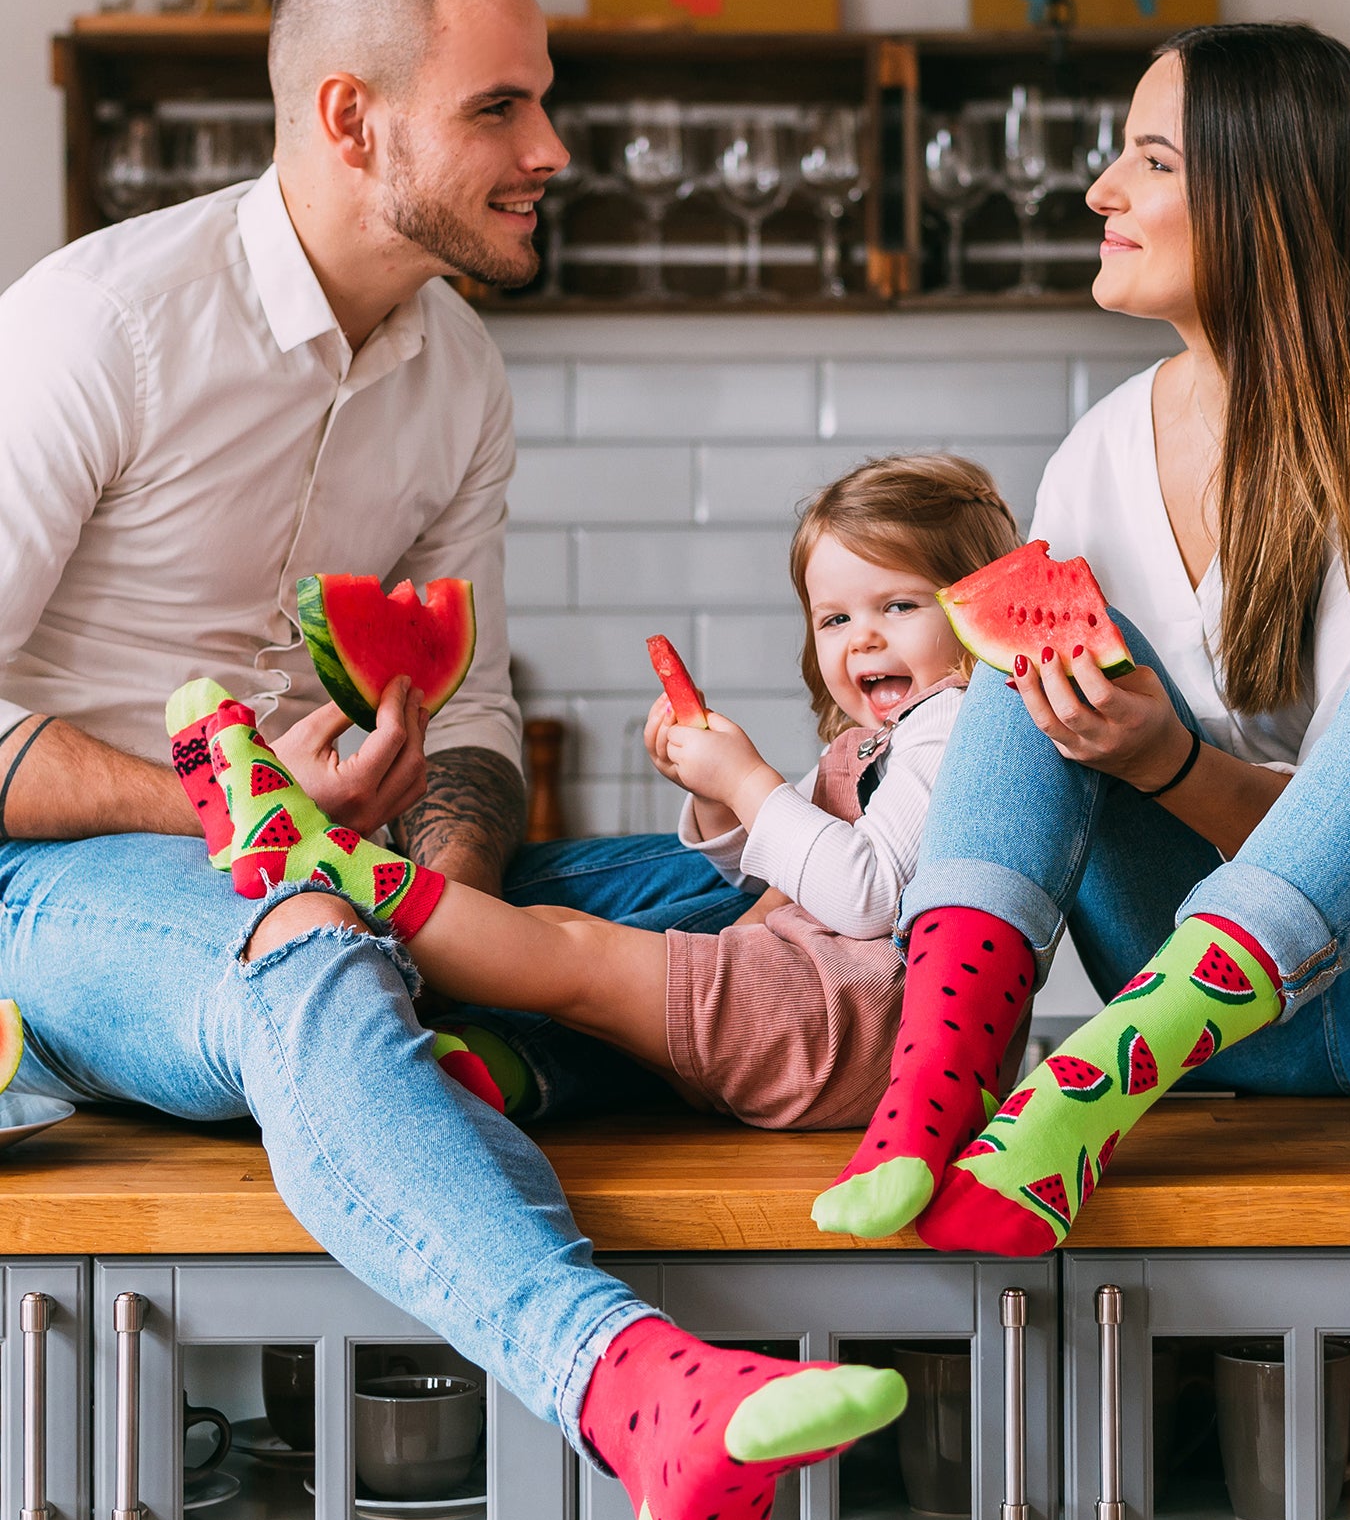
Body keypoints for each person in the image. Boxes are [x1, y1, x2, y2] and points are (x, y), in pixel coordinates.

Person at [0, 0, 905, 1520]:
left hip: (327, 874)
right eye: (502, 108)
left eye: (539, 100)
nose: (550, 147)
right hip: (59, 889)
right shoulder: (97, 325)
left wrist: (456, 886)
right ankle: (628, 1382)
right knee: (317, 929)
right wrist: (251, 832)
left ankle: (447, 1055)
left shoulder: (456, 370)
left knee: (707, 888)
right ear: (352, 117)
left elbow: (471, 715)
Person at [812, 21, 1350, 1252]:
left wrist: (1169, 766)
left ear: (1274, 194)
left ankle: (1076, 1097)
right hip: (1223, 1031)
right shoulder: (1099, 452)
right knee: (1012, 645)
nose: (1103, 189)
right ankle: (930, 1102)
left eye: (1152, 159)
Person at [160, 454, 1022, 1138]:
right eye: (833, 618)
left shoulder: (956, 723)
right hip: (815, 1018)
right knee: (587, 968)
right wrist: (718, 806)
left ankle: (321, 855)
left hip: (838, 1021)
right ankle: (494, 1068)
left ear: (975, 610)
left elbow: (867, 894)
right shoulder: (883, 738)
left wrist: (748, 783)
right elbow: (768, 869)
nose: (860, 635)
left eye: (898, 604)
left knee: (574, 954)